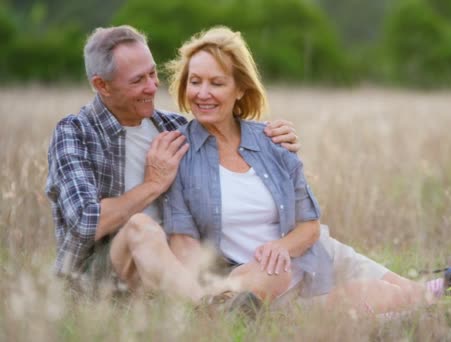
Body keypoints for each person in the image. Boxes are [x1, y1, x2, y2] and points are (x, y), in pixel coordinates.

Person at [160, 26, 442, 313]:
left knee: (420, 296)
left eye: (216, 83)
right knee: (383, 298)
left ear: (240, 88)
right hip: (258, 279)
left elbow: (309, 226)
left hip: (315, 255)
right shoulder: (178, 153)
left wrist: (283, 246)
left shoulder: (273, 141)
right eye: (195, 82)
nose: (202, 93)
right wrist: (201, 287)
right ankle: (252, 310)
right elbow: (183, 241)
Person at [45, 25, 300, 303]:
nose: (153, 86)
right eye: (137, 80)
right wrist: (153, 185)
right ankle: (207, 308)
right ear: (101, 85)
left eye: (153, 73)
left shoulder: (173, 126)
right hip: (102, 278)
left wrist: (272, 137)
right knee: (139, 227)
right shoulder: (75, 133)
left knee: (271, 272)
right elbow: (85, 222)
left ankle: (212, 299)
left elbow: (228, 131)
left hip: (178, 267)